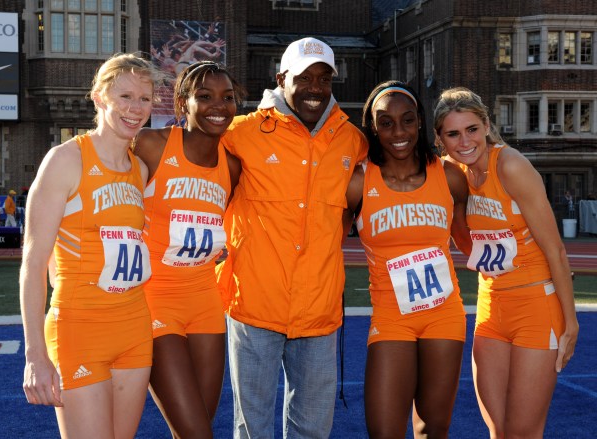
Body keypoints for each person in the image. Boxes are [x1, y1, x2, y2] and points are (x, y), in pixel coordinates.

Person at [217, 37, 368, 438]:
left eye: (324, 78)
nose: (315, 88)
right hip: (254, 306)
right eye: (305, 77)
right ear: (282, 78)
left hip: (319, 310)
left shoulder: (353, 141)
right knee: (252, 429)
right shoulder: (239, 133)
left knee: (314, 429)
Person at [20, 53, 161, 438]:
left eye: (145, 99)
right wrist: (35, 354)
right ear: (99, 97)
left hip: (133, 328)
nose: (136, 109)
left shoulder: (140, 169)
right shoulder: (65, 160)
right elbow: (33, 263)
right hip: (79, 329)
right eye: (126, 97)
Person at [433, 87, 579, 438]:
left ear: (486, 125)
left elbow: (555, 249)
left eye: (471, 129)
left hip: (536, 306)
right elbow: (469, 244)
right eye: (453, 134)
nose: (464, 141)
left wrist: (570, 321)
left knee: (522, 432)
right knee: (498, 430)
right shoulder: (453, 173)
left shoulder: (510, 165)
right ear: (441, 139)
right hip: (491, 307)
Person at [344, 81, 471, 438]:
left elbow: (469, 240)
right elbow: (324, 241)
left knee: (433, 429)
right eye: (386, 122)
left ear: (420, 123)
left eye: (408, 120)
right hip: (391, 317)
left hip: (444, 315)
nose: (398, 132)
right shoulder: (357, 182)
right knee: (384, 430)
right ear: (372, 128)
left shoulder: (449, 177)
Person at [133, 61, 244, 438]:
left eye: (227, 98)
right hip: (154, 299)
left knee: (195, 428)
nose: (219, 106)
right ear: (183, 103)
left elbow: (215, 223)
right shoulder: (152, 145)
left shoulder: (231, 167)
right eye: (205, 96)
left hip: (205, 302)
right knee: (198, 432)